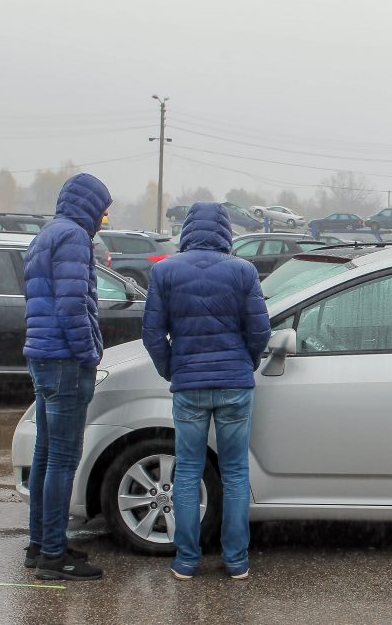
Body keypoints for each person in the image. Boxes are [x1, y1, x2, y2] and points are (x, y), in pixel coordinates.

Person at [142, 202, 271, 580]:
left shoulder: (164, 271)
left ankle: (186, 560)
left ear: (187, 229)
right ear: (225, 231)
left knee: (187, 474)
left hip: (189, 386)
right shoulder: (243, 271)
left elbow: (152, 334)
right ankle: (236, 561)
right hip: (234, 385)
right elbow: (260, 331)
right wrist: (246, 363)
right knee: (234, 472)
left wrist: (172, 368)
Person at [23, 173, 111, 581]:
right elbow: (73, 304)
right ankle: (54, 557)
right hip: (64, 361)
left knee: (45, 455)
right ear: (88, 207)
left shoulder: (46, 234)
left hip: (42, 356)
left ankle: (41, 543)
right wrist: (90, 351)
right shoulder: (74, 237)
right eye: (102, 211)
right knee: (62, 459)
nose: (103, 220)